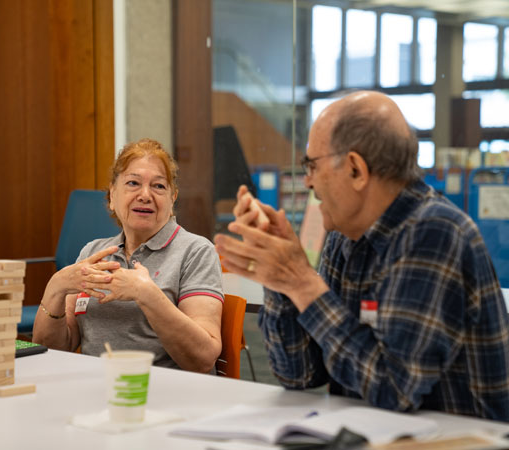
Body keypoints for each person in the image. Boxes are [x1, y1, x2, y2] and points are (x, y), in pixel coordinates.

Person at [215, 90, 509, 421]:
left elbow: (394, 391)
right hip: (372, 433)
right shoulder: (346, 235)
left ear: (356, 169)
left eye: (311, 165)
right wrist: (280, 280)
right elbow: (298, 375)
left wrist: (301, 283)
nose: (308, 181)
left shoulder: (434, 233)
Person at [33, 138, 223, 373]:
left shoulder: (196, 252)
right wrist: (56, 287)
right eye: (133, 183)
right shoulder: (92, 253)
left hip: (165, 394)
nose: (145, 195)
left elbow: (203, 359)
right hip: (97, 390)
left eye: (159, 186)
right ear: (112, 196)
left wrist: (147, 295)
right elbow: (52, 349)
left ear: (172, 200)